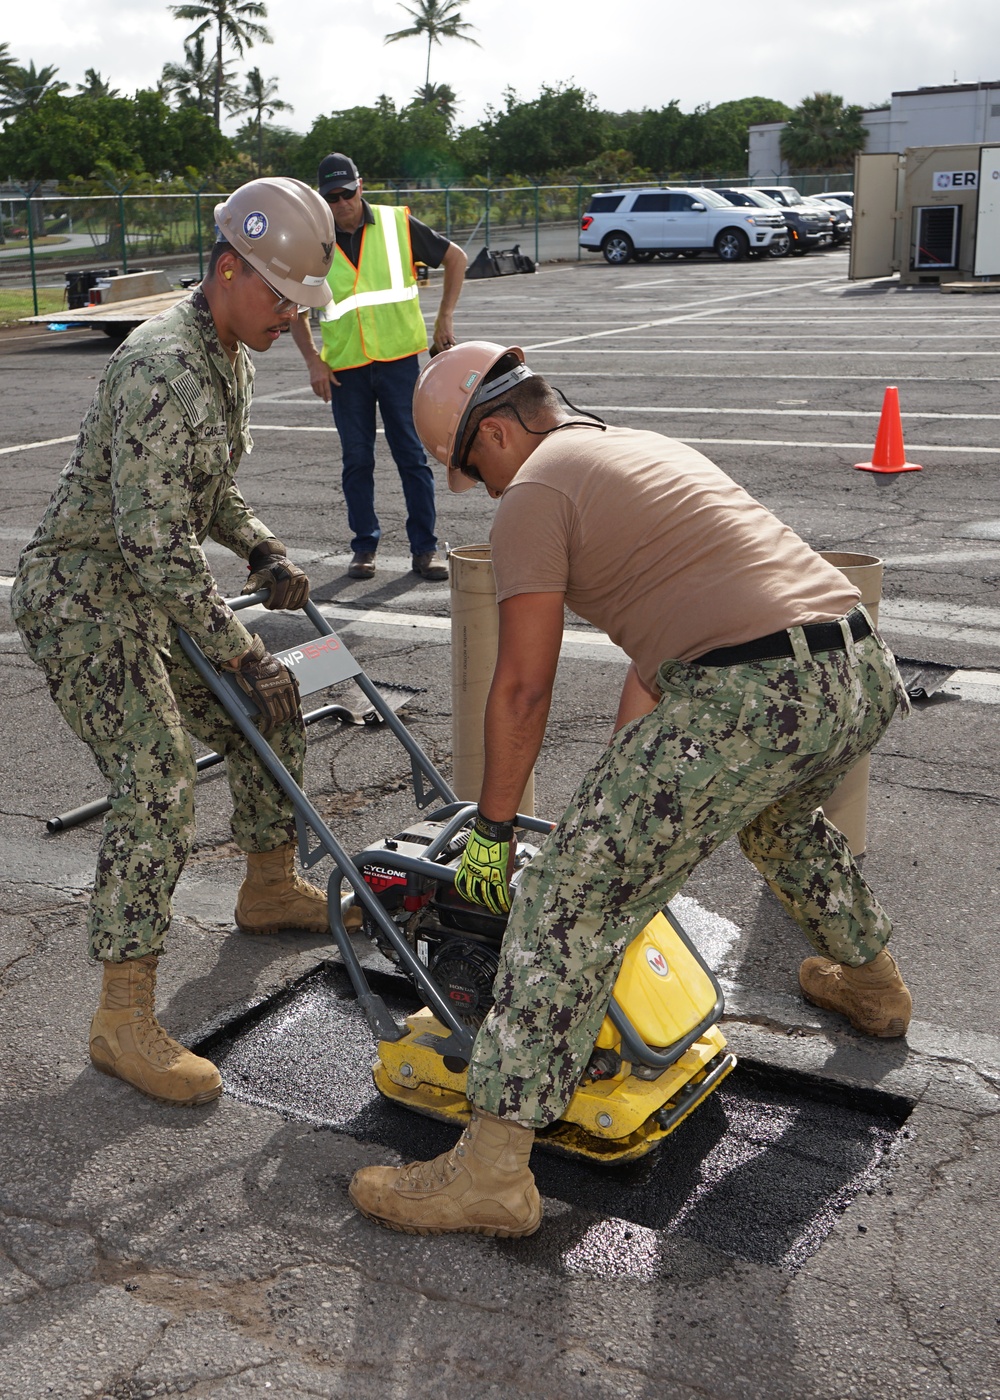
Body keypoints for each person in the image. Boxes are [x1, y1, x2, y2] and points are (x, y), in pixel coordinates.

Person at [348, 340, 914, 1239]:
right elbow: (662, 661)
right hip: (852, 672)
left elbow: (523, 686)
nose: (486, 490)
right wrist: (615, 820)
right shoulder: (637, 448)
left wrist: (497, 832)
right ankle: (874, 984)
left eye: (473, 468)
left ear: (495, 431)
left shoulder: (535, 490)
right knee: (777, 823)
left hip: (750, 695)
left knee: (566, 904)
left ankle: (492, 1170)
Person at [12, 178, 339, 1109]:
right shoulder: (163, 365)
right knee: (156, 779)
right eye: (279, 296)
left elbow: (205, 491)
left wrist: (262, 545)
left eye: (297, 302)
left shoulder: (228, 349)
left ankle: (270, 885)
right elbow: (152, 542)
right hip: (83, 599)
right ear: (228, 269)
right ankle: (122, 1020)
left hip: (149, 591)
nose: (290, 316)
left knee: (265, 714)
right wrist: (243, 647)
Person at [289, 152, 467, 583]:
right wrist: (313, 360)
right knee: (357, 461)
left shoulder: (396, 224)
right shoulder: (314, 244)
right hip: (345, 370)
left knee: (412, 458)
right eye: (331, 197)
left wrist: (444, 318)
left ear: (361, 186)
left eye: (347, 192)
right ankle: (364, 547)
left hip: (400, 364)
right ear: (321, 199)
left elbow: (456, 259)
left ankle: (425, 549)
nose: (341, 202)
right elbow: (294, 307)